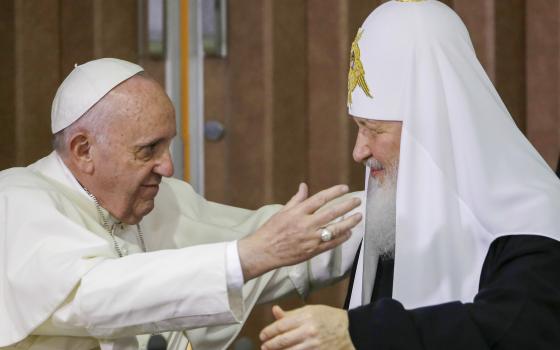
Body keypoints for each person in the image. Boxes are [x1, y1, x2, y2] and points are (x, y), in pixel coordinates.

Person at [0, 58, 364, 350]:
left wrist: (387, 209)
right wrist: (251, 255)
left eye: (168, 145)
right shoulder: (17, 199)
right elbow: (94, 295)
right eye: (149, 149)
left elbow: (269, 244)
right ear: (84, 150)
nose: (168, 167)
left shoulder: (162, 198)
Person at [259, 1, 560, 349]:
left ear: (430, 128)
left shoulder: (534, 218)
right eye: (358, 127)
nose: (359, 152)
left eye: (373, 130)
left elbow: (517, 331)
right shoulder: (395, 211)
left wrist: (361, 333)